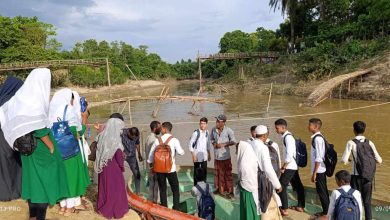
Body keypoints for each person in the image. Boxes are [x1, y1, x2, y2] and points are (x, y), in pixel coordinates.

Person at [1, 68, 70, 220]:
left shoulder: (21, 98)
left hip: (26, 148)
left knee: (33, 182)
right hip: (40, 148)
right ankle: (39, 216)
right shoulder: (34, 99)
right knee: (44, 184)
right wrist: (51, 146)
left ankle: (33, 216)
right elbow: (39, 127)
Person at [49, 88, 91, 216]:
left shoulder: (51, 112)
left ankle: (62, 206)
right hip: (70, 151)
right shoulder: (68, 110)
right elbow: (77, 132)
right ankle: (69, 208)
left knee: (61, 177)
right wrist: (84, 119)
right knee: (72, 178)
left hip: (57, 150)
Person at [341, 121, 382, 220]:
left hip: (356, 177)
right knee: (367, 202)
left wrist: (350, 160)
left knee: (356, 201)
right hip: (368, 177)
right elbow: (379, 160)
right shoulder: (370, 142)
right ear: (364, 130)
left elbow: (343, 160)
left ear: (353, 130)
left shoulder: (351, 142)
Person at [95, 113, 129, 219]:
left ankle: (102, 207)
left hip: (103, 165)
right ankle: (116, 210)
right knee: (116, 189)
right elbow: (119, 156)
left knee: (104, 187)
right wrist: (121, 166)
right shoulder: (116, 140)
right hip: (114, 168)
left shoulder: (101, 136)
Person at [147, 122, 184, 210]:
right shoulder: (174, 140)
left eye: (162, 128)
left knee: (162, 190)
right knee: (175, 190)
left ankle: (164, 208)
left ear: (164, 129)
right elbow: (181, 152)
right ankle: (176, 208)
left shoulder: (157, 140)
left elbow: (150, 157)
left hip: (159, 170)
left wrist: (151, 166)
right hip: (171, 170)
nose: (161, 130)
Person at [251, 125, 283, 220]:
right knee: (268, 205)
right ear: (265, 136)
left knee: (257, 203)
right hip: (263, 180)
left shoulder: (250, 144)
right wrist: (278, 185)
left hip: (252, 179)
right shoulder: (263, 147)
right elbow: (268, 168)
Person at [274, 119, 305, 216]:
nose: (276, 130)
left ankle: (284, 208)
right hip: (293, 166)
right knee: (298, 185)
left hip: (290, 166)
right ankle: (300, 205)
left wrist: (284, 167)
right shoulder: (287, 136)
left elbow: (289, 154)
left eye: (277, 128)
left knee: (281, 186)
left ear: (283, 127)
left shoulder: (288, 137)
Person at [0, 76, 23, 201]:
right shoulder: (11, 101)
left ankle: (4, 192)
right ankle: (13, 192)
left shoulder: (1, 97)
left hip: (1, 138)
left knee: (3, 166)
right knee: (12, 165)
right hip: (8, 138)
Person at [210, 114, 236, 198]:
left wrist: (224, 144)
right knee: (217, 174)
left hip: (225, 157)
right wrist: (214, 144)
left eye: (218, 121)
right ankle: (219, 189)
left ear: (223, 122)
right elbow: (211, 139)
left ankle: (230, 191)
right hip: (217, 157)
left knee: (227, 174)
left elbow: (233, 141)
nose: (216, 123)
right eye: (216, 121)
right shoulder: (213, 130)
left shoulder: (229, 130)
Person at [309, 118, 329, 217]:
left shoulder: (318, 139)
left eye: (310, 125)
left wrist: (314, 173)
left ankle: (326, 213)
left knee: (322, 192)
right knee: (323, 191)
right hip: (320, 169)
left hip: (320, 170)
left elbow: (319, 157)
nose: (308, 127)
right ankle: (327, 211)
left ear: (316, 126)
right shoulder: (318, 137)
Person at [236, 141, 261, 220]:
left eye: (237, 149)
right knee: (253, 208)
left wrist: (239, 182)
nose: (236, 152)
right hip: (253, 187)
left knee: (248, 209)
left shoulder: (244, 163)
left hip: (247, 189)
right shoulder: (252, 158)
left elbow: (244, 178)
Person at [188, 117, 211, 186]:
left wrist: (209, 154)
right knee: (197, 171)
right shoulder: (196, 133)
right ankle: (196, 187)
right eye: (201, 123)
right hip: (197, 154)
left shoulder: (207, 132)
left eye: (204, 124)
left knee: (204, 171)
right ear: (199, 124)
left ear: (206, 124)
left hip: (204, 154)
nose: (202, 125)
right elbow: (190, 145)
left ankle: (203, 186)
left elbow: (208, 144)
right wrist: (193, 155)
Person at [122, 127, 143, 195]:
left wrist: (139, 154)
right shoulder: (122, 133)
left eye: (135, 137)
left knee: (137, 174)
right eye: (132, 137)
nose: (133, 138)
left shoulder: (137, 135)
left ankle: (138, 192)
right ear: (128, 133)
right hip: (121, 156)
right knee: (118, 174)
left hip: (132, 156)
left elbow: (137, 143)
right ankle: (119, 191)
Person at [145, 121, 161, 203]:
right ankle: (156, 201)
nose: (160, 129)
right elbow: (153, 155)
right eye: (159, 127)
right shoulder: (153, 140)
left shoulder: (148, 137)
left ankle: (151, 200)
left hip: (149, 165)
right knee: (156, 184)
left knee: (151, 184)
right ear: (155, 128)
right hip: (153, 166)